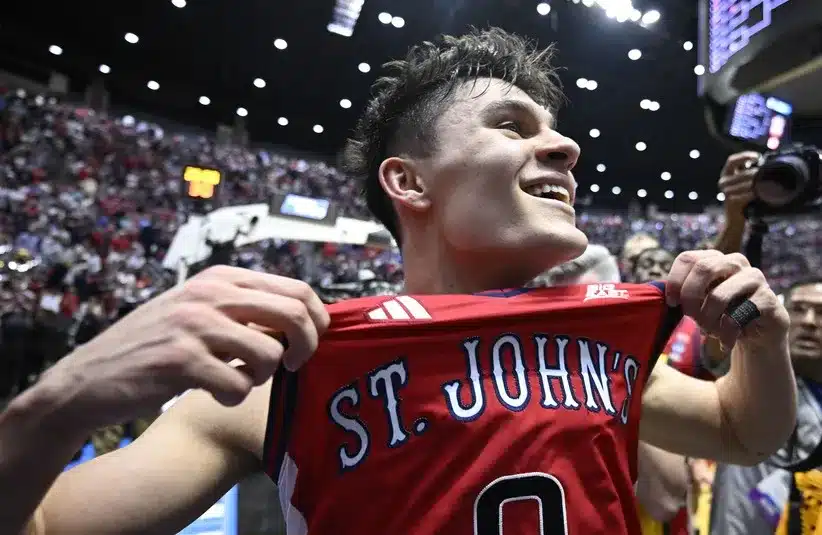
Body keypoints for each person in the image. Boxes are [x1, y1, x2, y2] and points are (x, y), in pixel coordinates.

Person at [0, 28, 794, 535]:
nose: (567, 150)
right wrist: (58, 400)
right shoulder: (287, 366)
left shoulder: (598, 335)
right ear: (409, 182)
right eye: (513, 126)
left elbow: (741, 432)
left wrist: (765, 342)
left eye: (558, 132)